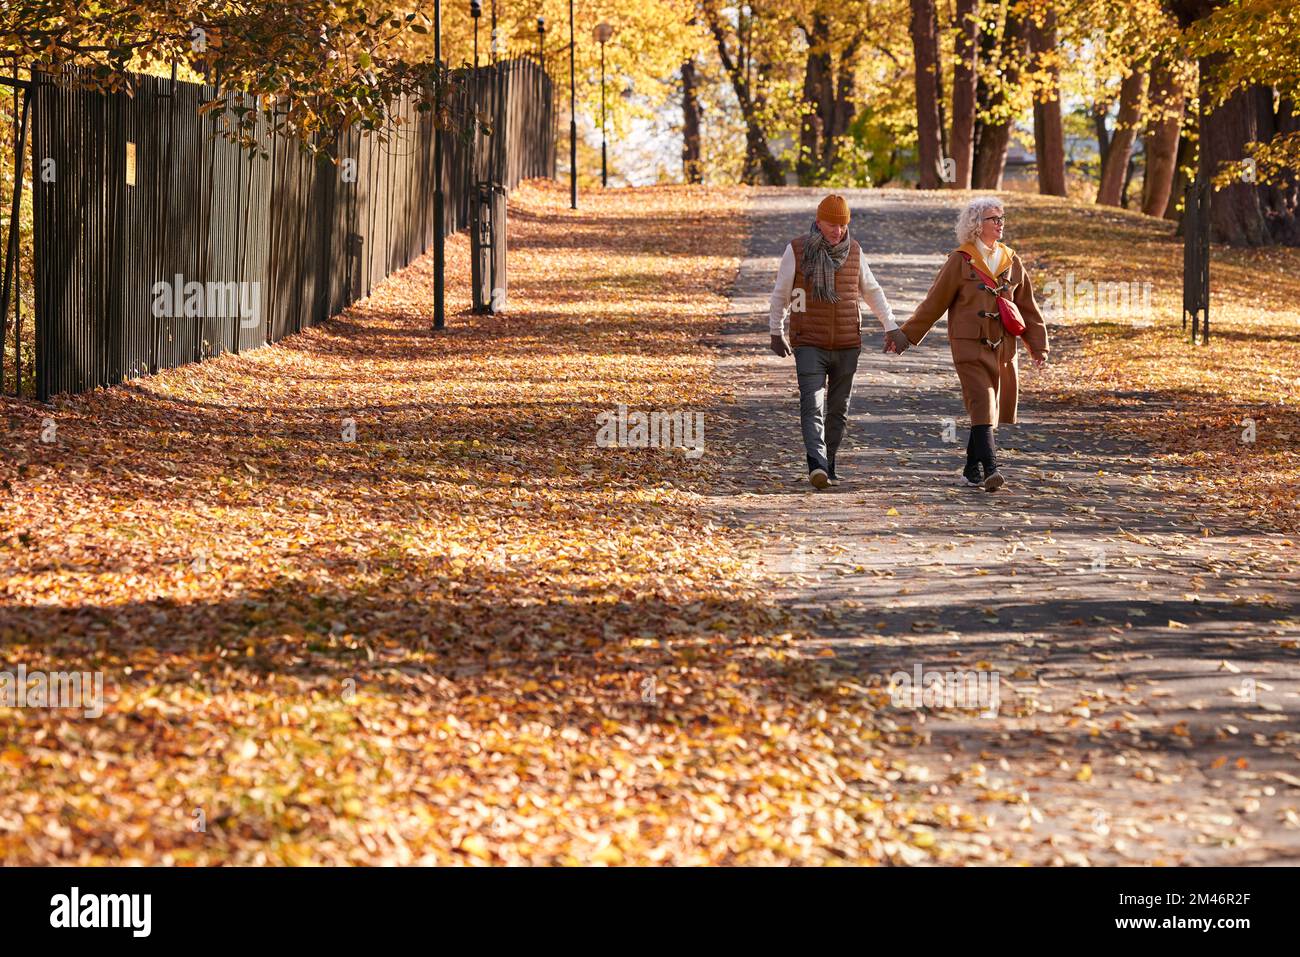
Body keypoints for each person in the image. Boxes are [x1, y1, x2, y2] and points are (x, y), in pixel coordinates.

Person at [884, 197, 1048, 491]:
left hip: (1003, 347)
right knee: (983, 402)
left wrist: (1038, 346)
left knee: (986, 409)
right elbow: (934, 303)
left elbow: (1028, 307)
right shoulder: (960, 260)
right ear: (976, 225)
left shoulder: (1012, 260)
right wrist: (904, 336)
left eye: (1001, 218)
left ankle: (971, 470)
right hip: (969, 344)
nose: (999, 223)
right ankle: (991, 470)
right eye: (993, 219)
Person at [769, 194, 898, 490]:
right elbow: (781, 294)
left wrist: (891, 325)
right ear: (818, 221)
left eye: (842, 225)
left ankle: (830, 462)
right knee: (812, 404)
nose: (837, 230)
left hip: (847, 343)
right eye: (831, 224)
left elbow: (872, 291)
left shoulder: (854, 251)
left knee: (839, 409)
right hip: (809, 343)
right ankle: (816, 464)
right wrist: (775, 331)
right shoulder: (797, 249)